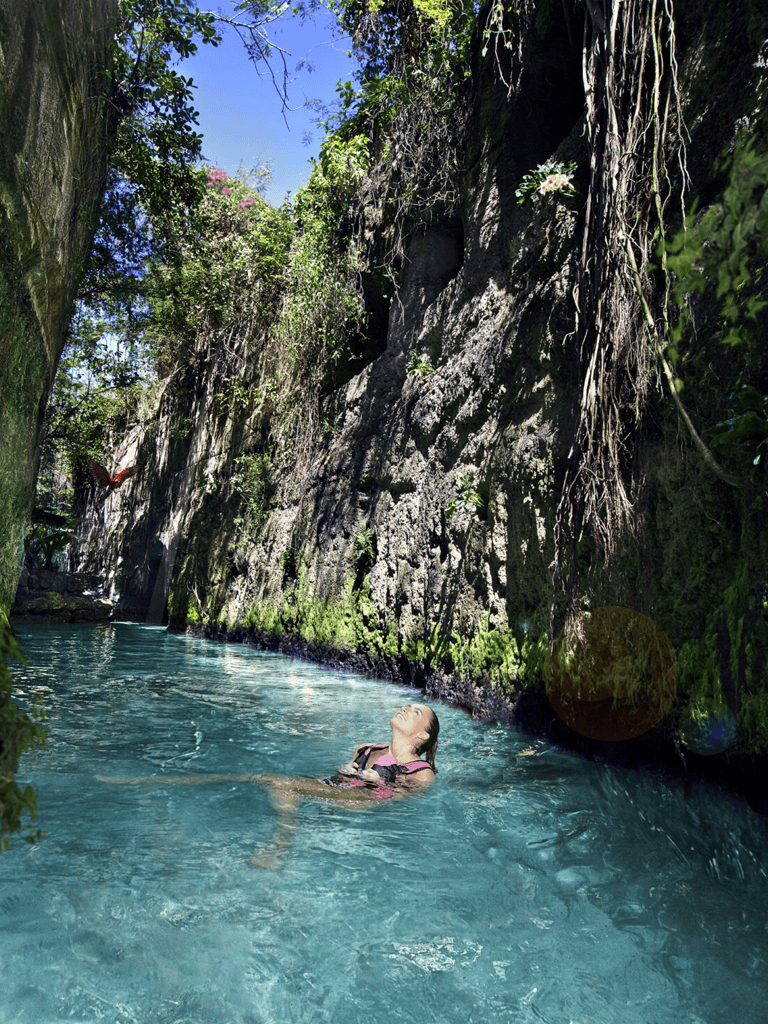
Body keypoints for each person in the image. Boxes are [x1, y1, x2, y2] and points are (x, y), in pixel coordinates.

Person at [100, 702, 440, 868]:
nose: (406, 708)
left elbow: (402, 799)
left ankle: (277, 850)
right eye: (407, 705)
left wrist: (380, 783)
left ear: (423, 736)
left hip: (360, 803)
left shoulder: (422, 771)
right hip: (338, 791)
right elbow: (339, 776)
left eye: (416, 712)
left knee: (280, 783)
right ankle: (158, 779)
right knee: (258, 777)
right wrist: (347, 770)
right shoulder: (366, 748)